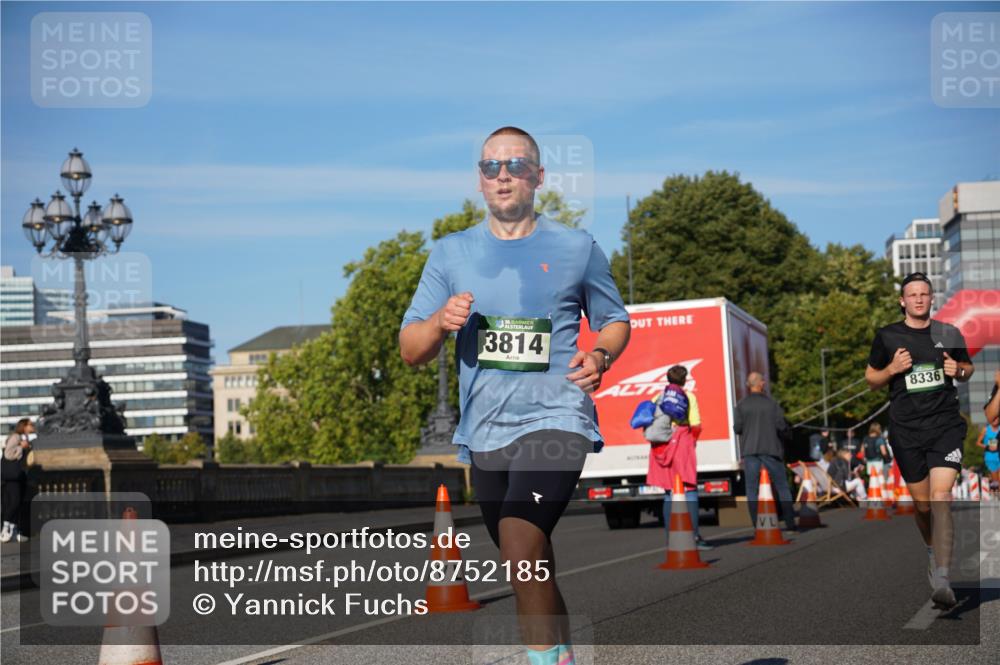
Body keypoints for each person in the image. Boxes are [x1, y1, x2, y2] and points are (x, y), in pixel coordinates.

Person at [399, 126, 629, 665]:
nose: (503, 176)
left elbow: (615, 319)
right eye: (490, 167)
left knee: (522, 548)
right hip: (486, 432)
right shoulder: (451, 253)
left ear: (538, 177)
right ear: (479, 181)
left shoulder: (577, 247)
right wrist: (439, 321)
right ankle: (561, 655)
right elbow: (412, 349)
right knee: (528, 563)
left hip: (558, 419)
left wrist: (600, 356)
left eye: (515, 165)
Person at [865, 271, 974, 609]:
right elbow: (871, 379)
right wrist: (892, 370)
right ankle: (931, 550)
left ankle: (942, 577)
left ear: (931, 298)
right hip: (906, 429)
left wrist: (960, 370)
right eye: (912, 294)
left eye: (924, 294)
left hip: (945, 425)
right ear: (902, 300)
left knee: (941, 497)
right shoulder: (887, 337)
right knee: (923, 505)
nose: (918, 299)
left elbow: (967, 368)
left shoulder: (949, 332)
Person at [646, 365, 712, 550]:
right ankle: (694, 537)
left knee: (669, 493)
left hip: (661, 446)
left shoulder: (657, 397)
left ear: (668, 379)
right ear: (684, 380)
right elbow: (696, 425)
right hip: (682, 443)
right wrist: (692, 442)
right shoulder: (688, 397)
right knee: (689, 490)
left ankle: (672, 538)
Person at [733, 372, 796, 532]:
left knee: (751, 489)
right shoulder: (772, 404)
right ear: (761, 384)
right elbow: (781, 426)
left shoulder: (741, 405)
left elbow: (737, 428)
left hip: (750, 450)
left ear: (749, 385)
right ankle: (790, 522)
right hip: (771, 449)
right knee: (782, 486)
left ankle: (757, 524)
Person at [2, 418, 34, 543]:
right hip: (12, 476)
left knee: (18, 503)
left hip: (19, 475)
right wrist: (21, 447)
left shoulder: (23, 438)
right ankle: (4, 530)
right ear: (24, 426)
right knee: (13, 503)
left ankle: (14, 531)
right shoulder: (16, 437)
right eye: (30, 424)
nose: (33, 426)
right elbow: (8, 454)